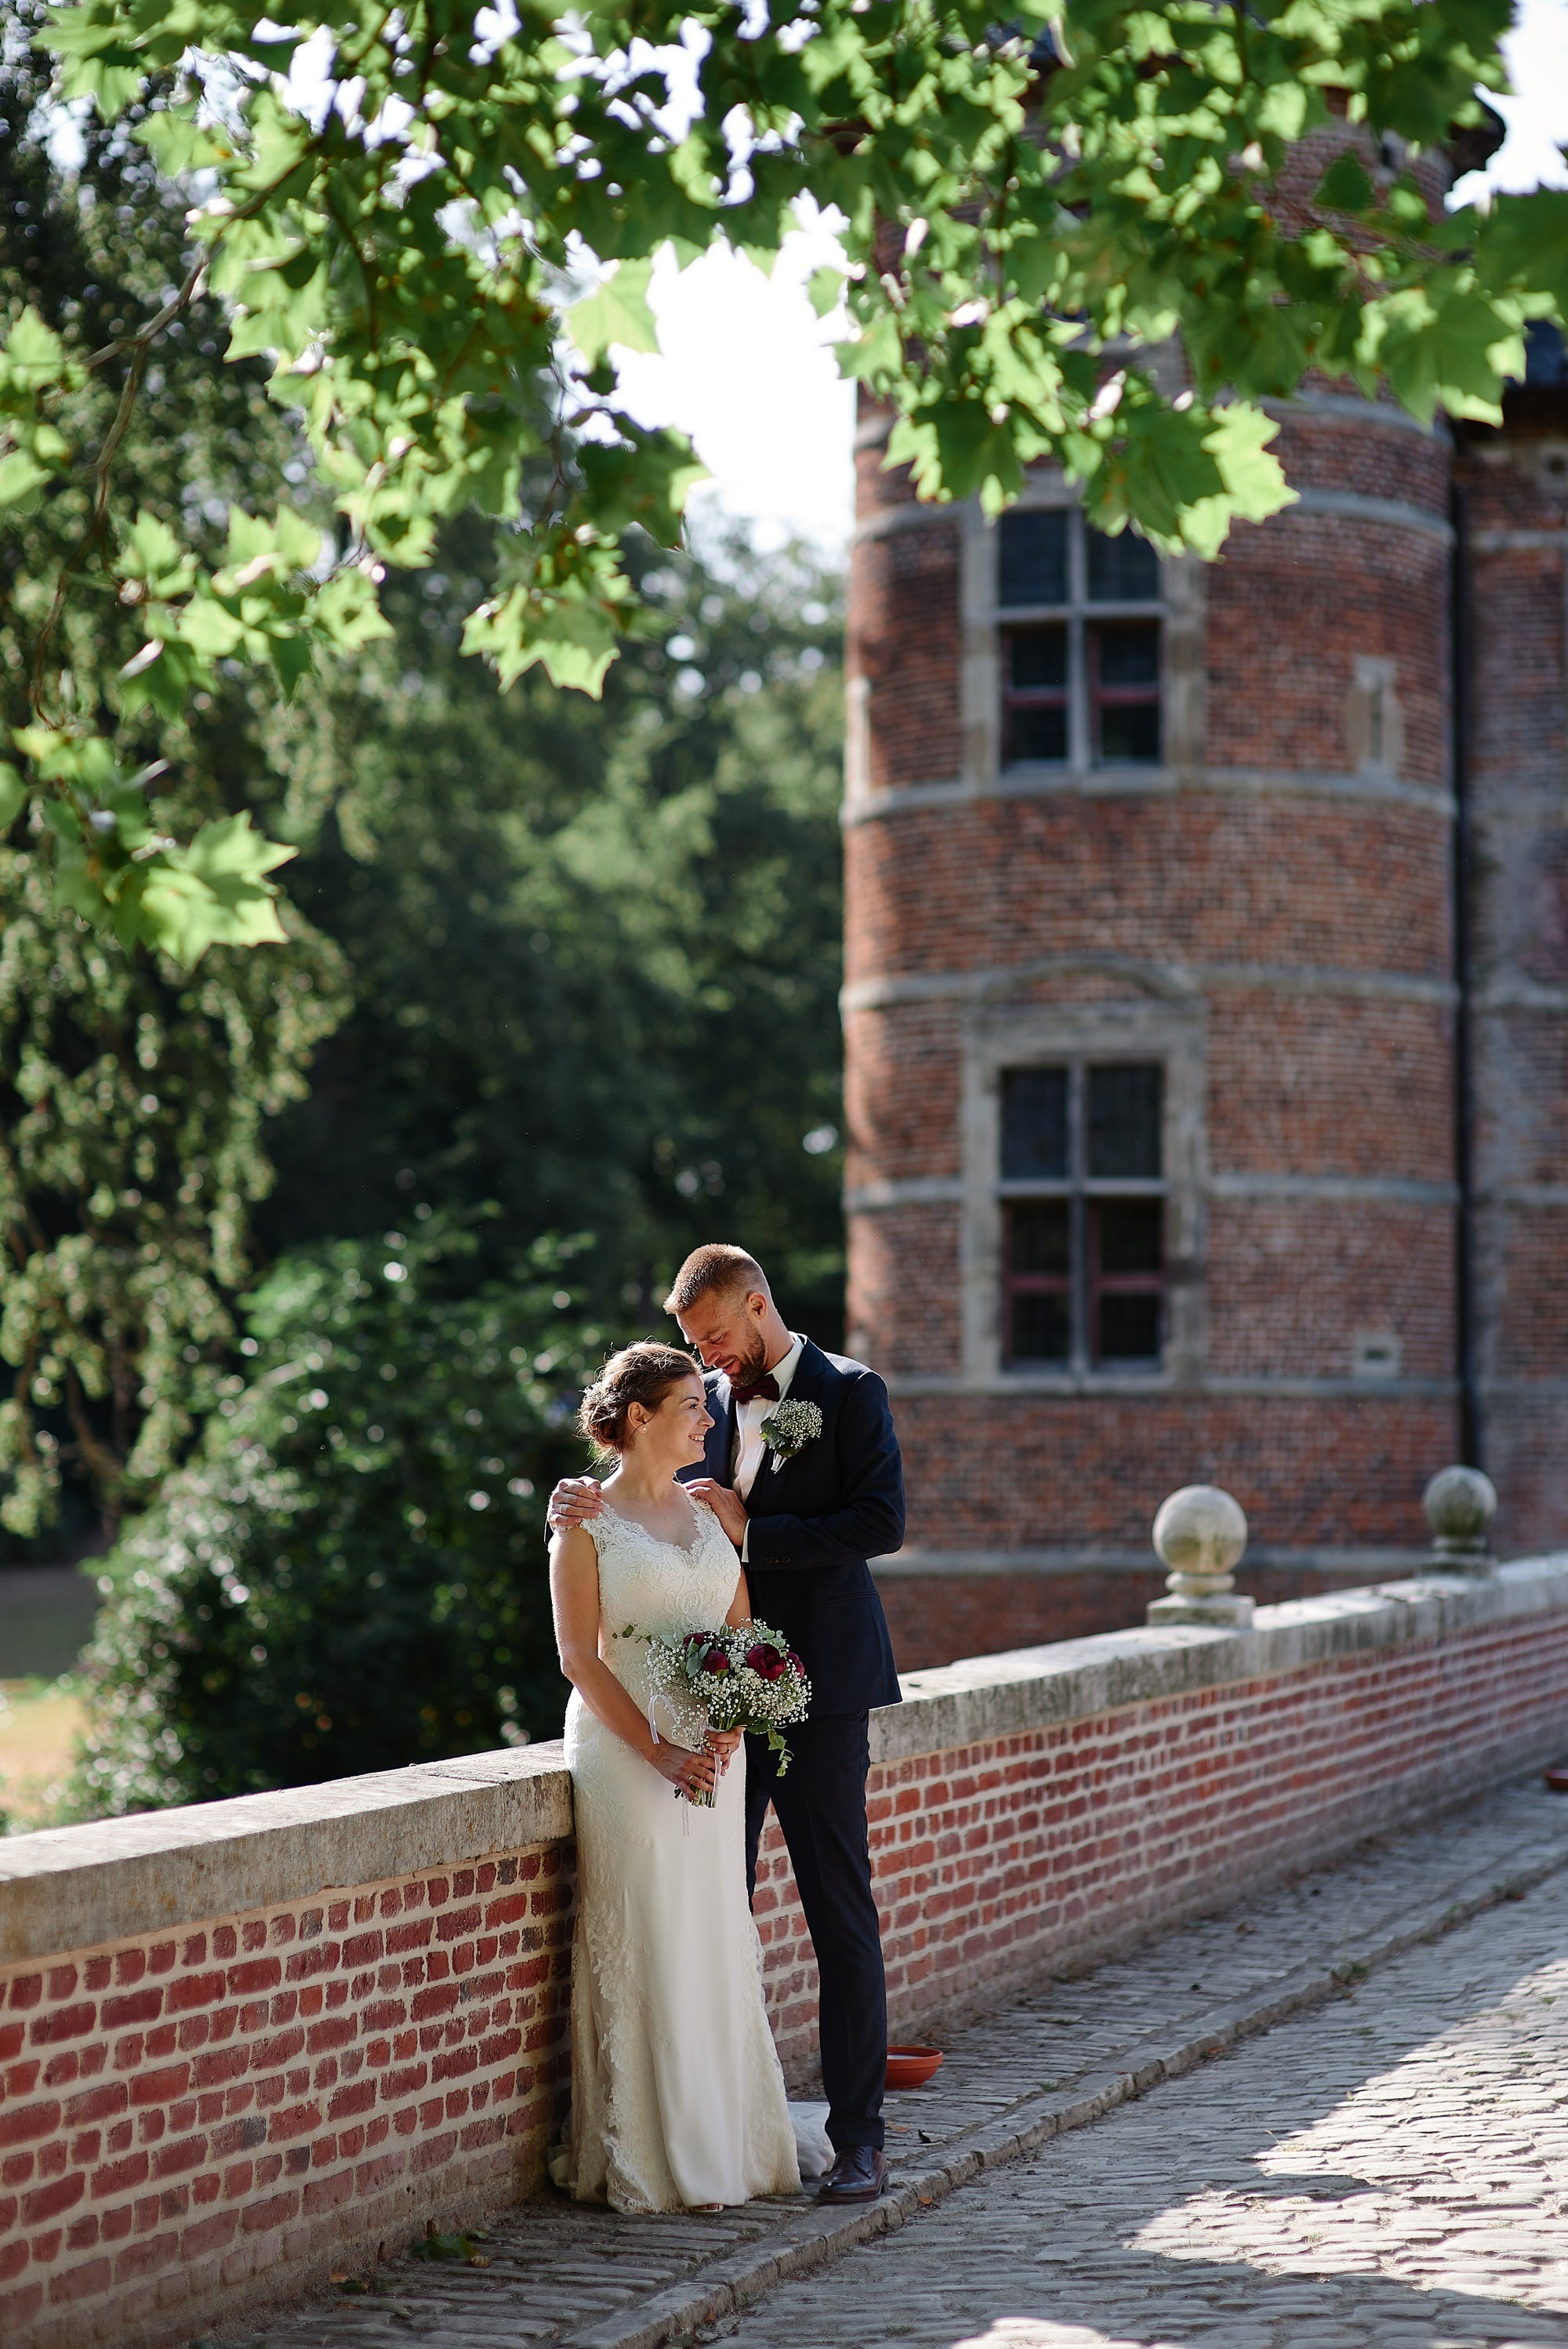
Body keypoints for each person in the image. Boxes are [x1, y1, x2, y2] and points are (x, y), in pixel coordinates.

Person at [550, 1245, 906, 2205]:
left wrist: (756, 1532)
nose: (708, 1359)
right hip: (697, 1707)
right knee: (712, 1911)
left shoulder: (851, 1392)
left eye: (714, 1336)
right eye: (692, 1344)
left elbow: (881, 1521)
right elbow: (636, 1508)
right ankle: (707, 2120)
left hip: (820, 1693)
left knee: (839, 1913)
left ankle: (860, 2136)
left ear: (757, 1305)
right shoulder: (687, 1402)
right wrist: (567, 1502)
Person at [547, 1342, 801, 2213]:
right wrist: (657, 1748)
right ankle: (649, 2153)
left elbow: (741, 1627)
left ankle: (725, 2140)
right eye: (692, 1404)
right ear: (640, 1417)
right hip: (628, 1758)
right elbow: (579, 1659)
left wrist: (732, 1714)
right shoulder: (580, 1523)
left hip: (712, 1756)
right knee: (647, 1933)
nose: (707, 1417)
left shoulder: (705, 1516)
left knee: (710, 1933)